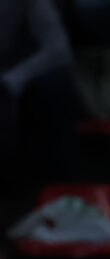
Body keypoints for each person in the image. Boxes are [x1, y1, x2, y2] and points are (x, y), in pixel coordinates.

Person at [0, 0, 77, 183]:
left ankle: (57, 189)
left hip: (14, 77)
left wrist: (10, 81)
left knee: (56, 84)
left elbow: (59, 49)